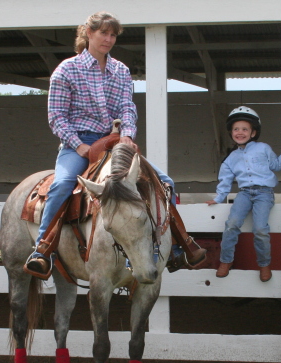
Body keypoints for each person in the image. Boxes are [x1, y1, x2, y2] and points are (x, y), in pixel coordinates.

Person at [25, 11, 206, 279]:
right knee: (62, 184)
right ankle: (43, 249)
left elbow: (127, 108)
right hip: (80, 144)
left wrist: (126, 136)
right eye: (103, 33)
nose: (108, 39)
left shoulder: (120, 70)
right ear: (89, 33)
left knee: (165, 181)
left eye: (112, 35)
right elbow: (57, 117)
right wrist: (78, 145)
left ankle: (179, 244)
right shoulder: (66, 70)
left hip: (114, 142)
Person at [206, 106, 281, 282]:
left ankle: (264, 265)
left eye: (244, 129)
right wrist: (218, 198)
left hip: (264, 193)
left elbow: (277, 165)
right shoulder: (231, 158)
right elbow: (225, 180)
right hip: (244, 194)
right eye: (236, 129)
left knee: (260, 229)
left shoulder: (263, 148)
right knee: (232, 223)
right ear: (231, 132)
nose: (239, 132)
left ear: (253, 132)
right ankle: (226, 261)